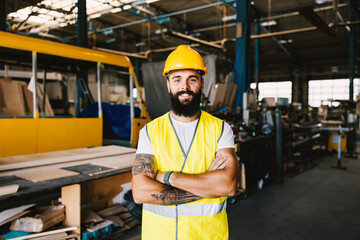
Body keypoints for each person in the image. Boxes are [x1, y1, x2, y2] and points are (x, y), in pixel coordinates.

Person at [132, 45, 239, 240]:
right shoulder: (150, 131)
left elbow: (228, 185)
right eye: (177, 79)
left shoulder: (220, 129)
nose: (185, 87)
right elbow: (140, 192)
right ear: (168, 85)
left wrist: (167, 176)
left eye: (192, 79)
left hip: (207, 235)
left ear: (202, 83)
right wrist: (207, 186)